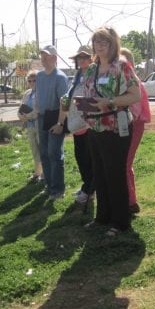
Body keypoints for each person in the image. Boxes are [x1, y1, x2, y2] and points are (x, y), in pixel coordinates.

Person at [79, 26, 141, 236]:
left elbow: (135, 95)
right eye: (96, 42)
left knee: (115, 174)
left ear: (113, 44)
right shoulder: (91, 68)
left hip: (116, 127)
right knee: (100, 173)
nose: (100, 45)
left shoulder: (121, 66)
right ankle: (102, 217)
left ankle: (120, 222)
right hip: (94, 127)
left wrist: (110, 101)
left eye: (104, 42)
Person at [36, 44, 69, 200]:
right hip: (41, 117)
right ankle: (49, 186)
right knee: (44, 153)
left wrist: (60, 123)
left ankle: (58, 190)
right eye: (42, 55)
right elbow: (37, 96)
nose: (43, 58)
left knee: (54, 153)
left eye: (46, 55)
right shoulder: (40, 76)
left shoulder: (60, 77)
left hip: (56, 117)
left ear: (54, 58)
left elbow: (65, 103)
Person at [120, 47, 151, 214]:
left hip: (133, 124)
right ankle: (128, 199)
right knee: (125, 163)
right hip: (127, 123)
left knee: (125, 163)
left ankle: (130, 202)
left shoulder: (132, 80)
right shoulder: (124, 78)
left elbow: (136, 110)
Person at [64, 45, 94, 205]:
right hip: (76, 124)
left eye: (84, 57)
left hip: (87, 123)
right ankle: (87, 186)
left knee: (88, 159)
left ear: (91, 59)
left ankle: (90, 189)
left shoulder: (93, 73)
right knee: (81, 158)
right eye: (79, 58)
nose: (81, 60)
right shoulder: (77, 76)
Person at [18, 70, 43, 183]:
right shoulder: (27, 93)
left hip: (39, 124)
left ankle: (44, 174)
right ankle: (37, 173)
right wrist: (20, 116)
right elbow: (21, 106)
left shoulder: (42, 93)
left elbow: (39, 110)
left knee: (42, 149)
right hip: (29, 125)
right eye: (30, 80)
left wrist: (27, 116)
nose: (32, 82)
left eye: (34, 80)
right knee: (34, 149)